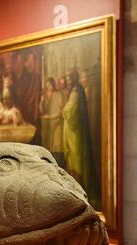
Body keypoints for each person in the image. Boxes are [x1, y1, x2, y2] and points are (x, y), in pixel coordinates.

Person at [62, 71, 100, 209]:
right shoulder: (74, 90)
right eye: (67, 78)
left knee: (76, 158)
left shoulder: (76, 91)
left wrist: (63, 111)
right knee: (72, 158)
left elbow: (70, 111)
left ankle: (79, 189)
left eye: (69, 78)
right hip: (72, 131)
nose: (68, 81)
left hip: (75, 132)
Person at [39, 77, 65, 165]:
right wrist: (42, 101)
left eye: (50, 85)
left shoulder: (59, 94)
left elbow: (60, 112)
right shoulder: (47, 95)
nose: (49, 87)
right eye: (48, 86)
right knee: (49, 146)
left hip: (57, 122)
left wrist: (49, 117)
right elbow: (42, 111)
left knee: (57, 146)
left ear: (53, 84)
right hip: (49, 124)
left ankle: (59, 166)